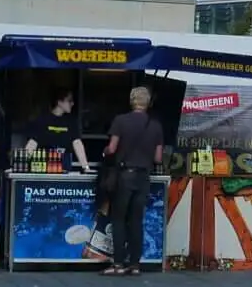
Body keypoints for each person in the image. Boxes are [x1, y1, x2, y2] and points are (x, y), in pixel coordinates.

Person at [99, 86, 165, 276]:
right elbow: (158, 158)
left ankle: (118, 264)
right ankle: (135, 265)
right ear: (148, 102)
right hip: (144, 177)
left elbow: (112, 148)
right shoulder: (156, 125)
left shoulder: (121, 121)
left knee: (118, 219)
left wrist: (104, 152)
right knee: (136, 221)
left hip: (124, 176)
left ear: (131, 100)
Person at [32, 90, 93, 171]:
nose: (72, 104)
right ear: (60, 102)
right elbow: (33, 142)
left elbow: (77, 143)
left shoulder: (71, 122)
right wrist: (23, 163)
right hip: (46, 168)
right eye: (69, 101)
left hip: (65, 168)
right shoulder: (43, 121)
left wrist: (86, 167)